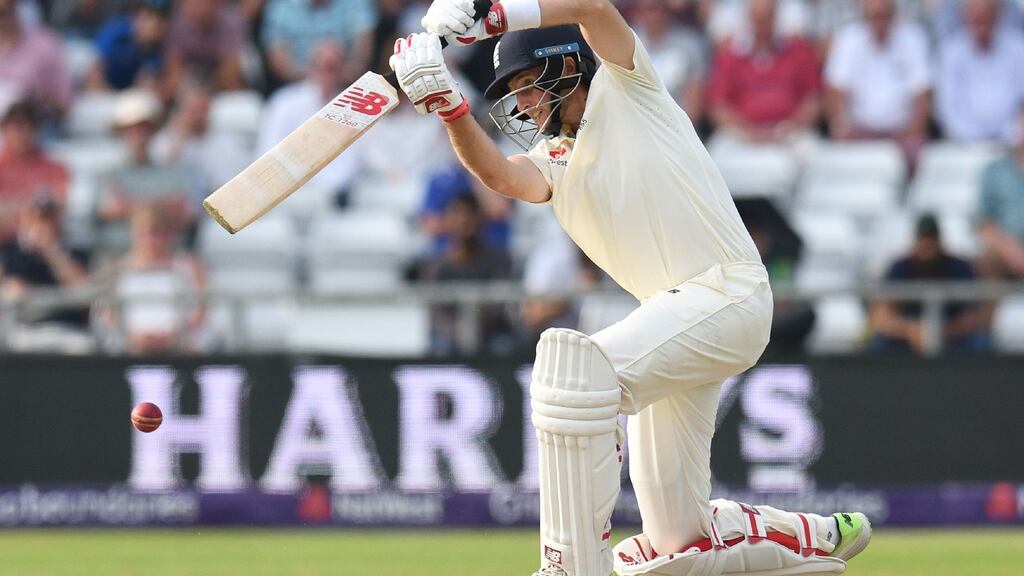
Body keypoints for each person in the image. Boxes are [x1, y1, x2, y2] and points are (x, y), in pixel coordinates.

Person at [389, 2, 871, 575]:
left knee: (576, 373)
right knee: (675, 540)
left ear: (564, 65)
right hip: (679, 319)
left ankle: (568, 564)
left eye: (523, 85)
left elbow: (592, 7)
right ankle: (807, 537)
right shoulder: (553, 161)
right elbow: (498, 175)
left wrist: (495, 16)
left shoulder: (627, 87)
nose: (519, 103)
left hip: (728, 293)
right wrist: (448, 107)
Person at [824, 0, 931, 163]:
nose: (879, 23)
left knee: (921, 154)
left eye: (884, 17)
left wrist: (914, 130)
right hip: (859, 133)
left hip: (902, 135)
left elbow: (922, 93)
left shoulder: (912, 38)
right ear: (864, 17)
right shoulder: (848, 39)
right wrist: (842, 127)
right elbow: (836, 90)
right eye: (875, 17)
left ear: (893, 16)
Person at [707, 0, 822, 147]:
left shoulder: (798, 51)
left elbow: (813, 99)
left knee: (811, 151)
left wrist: (791, 126)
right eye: (758, 20)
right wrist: (747, 130)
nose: (762, 26)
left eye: (766, 19)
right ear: (748, 19)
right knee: (718, 151)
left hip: (791, 133)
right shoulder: (729, 56)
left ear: (775, 17)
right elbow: (718, 105)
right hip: (741, 134)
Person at [870, 214, 990, 354]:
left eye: (931, 239)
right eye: (923, 238)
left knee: (979, 342)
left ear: (939, 240)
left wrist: (944, 331)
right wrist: (910, 330)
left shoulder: (959, 267)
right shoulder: (900, 268)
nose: (927, 245)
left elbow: (981, 314)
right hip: (907, 337)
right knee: (879, 343)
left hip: (954, 335)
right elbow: (879, 316)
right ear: (915, 240)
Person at [420, 194, 513, 355]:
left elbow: (499, 306)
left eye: (470, 213)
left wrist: (475, 327)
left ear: (481, 219)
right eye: (457, 213)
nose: (463, 220)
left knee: (503, 345)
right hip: (450, 337)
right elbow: (437, 314)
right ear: (447, 220)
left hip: (491, 332)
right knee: (441, 348)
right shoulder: (436, 265)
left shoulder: (499, 260)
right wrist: (462, 331)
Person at [936, 0, 1024, 143]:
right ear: (965, 17)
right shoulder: (952, 52)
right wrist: (974, 137)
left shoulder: (1018, 49)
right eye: (977, 20)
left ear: (998, 16)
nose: (982, 25)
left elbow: (1022, 102)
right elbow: (947, 109)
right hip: (964, 144)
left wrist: (1010, 134)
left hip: (1012, 142)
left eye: (986, 19)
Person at [0, 100, 68, 242]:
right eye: (18, 127)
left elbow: (58, 205)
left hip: (44, 245)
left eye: (29, 127)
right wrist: (30, 204)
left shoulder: (54, 167)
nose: (23, 134)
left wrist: (13, 206)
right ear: (5, 129)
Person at [0, 0, 72, 118]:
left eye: (3, 12)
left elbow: (64, 101)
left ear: (16, 8)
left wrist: (31, 98)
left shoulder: (45, 44)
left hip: (35, 124)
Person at [976, 105, 1024, 279]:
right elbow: (982, 223)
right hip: (1003, 253)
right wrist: (1013, 252)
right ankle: (988, 307)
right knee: (984, 263)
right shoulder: (995, 170)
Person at [87, 0, 171, 93]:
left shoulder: (157, 50)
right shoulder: (117, 30)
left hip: (125, 99)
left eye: (159, 19)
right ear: (136, 14)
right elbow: (93, 76)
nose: (152, 23)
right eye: (148, 15)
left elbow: (146, 86)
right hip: (100, 95)